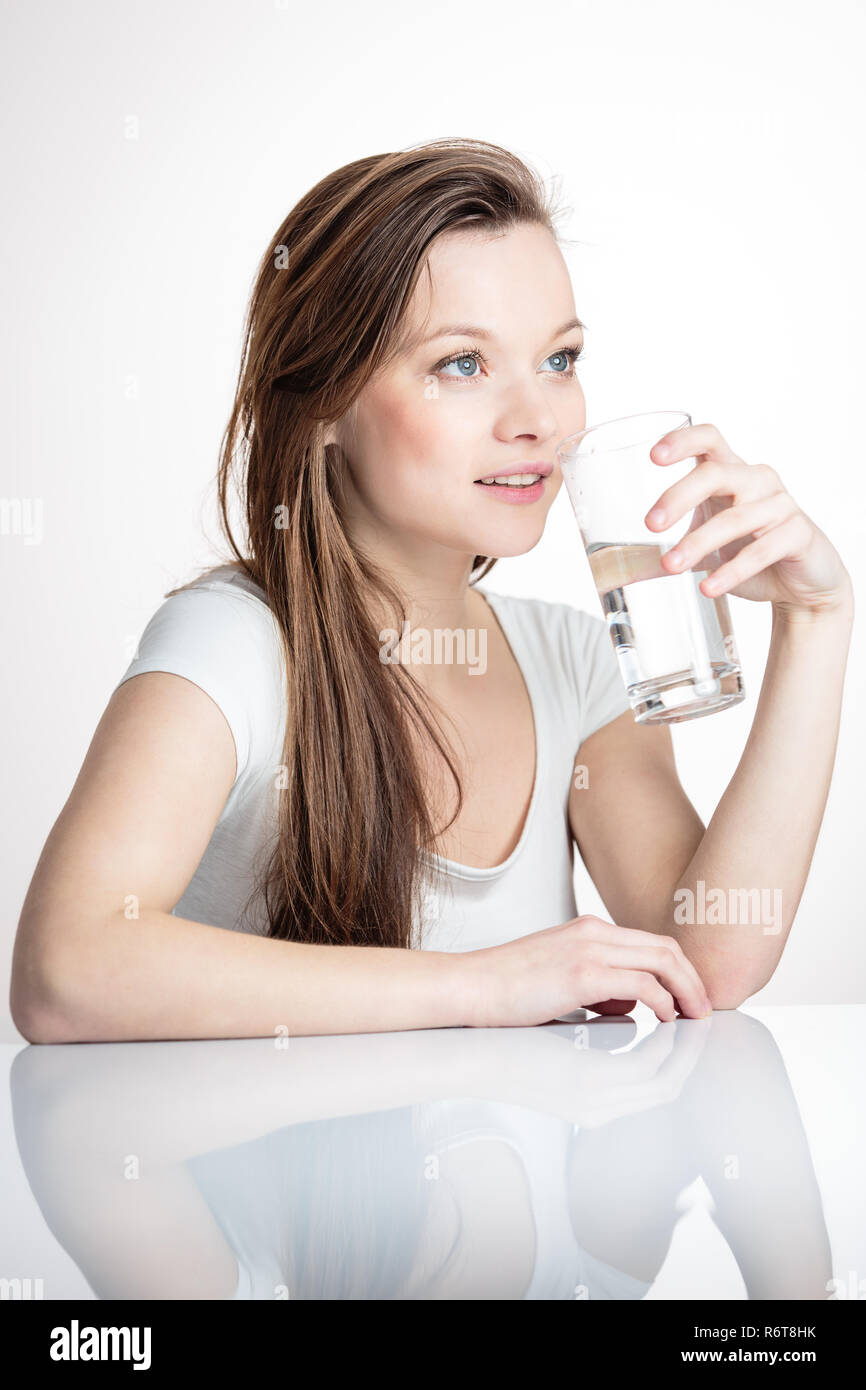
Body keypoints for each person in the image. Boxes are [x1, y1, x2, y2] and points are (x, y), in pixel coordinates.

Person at [11, 138, 854, 1044]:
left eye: (559, 360)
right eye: (462, 364)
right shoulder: (235, 646)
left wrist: (818, 618)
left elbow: (709, 960)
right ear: (325, 403)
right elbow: (67, 968)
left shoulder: (571, 663)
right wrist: (480, 988)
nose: (538, 421)